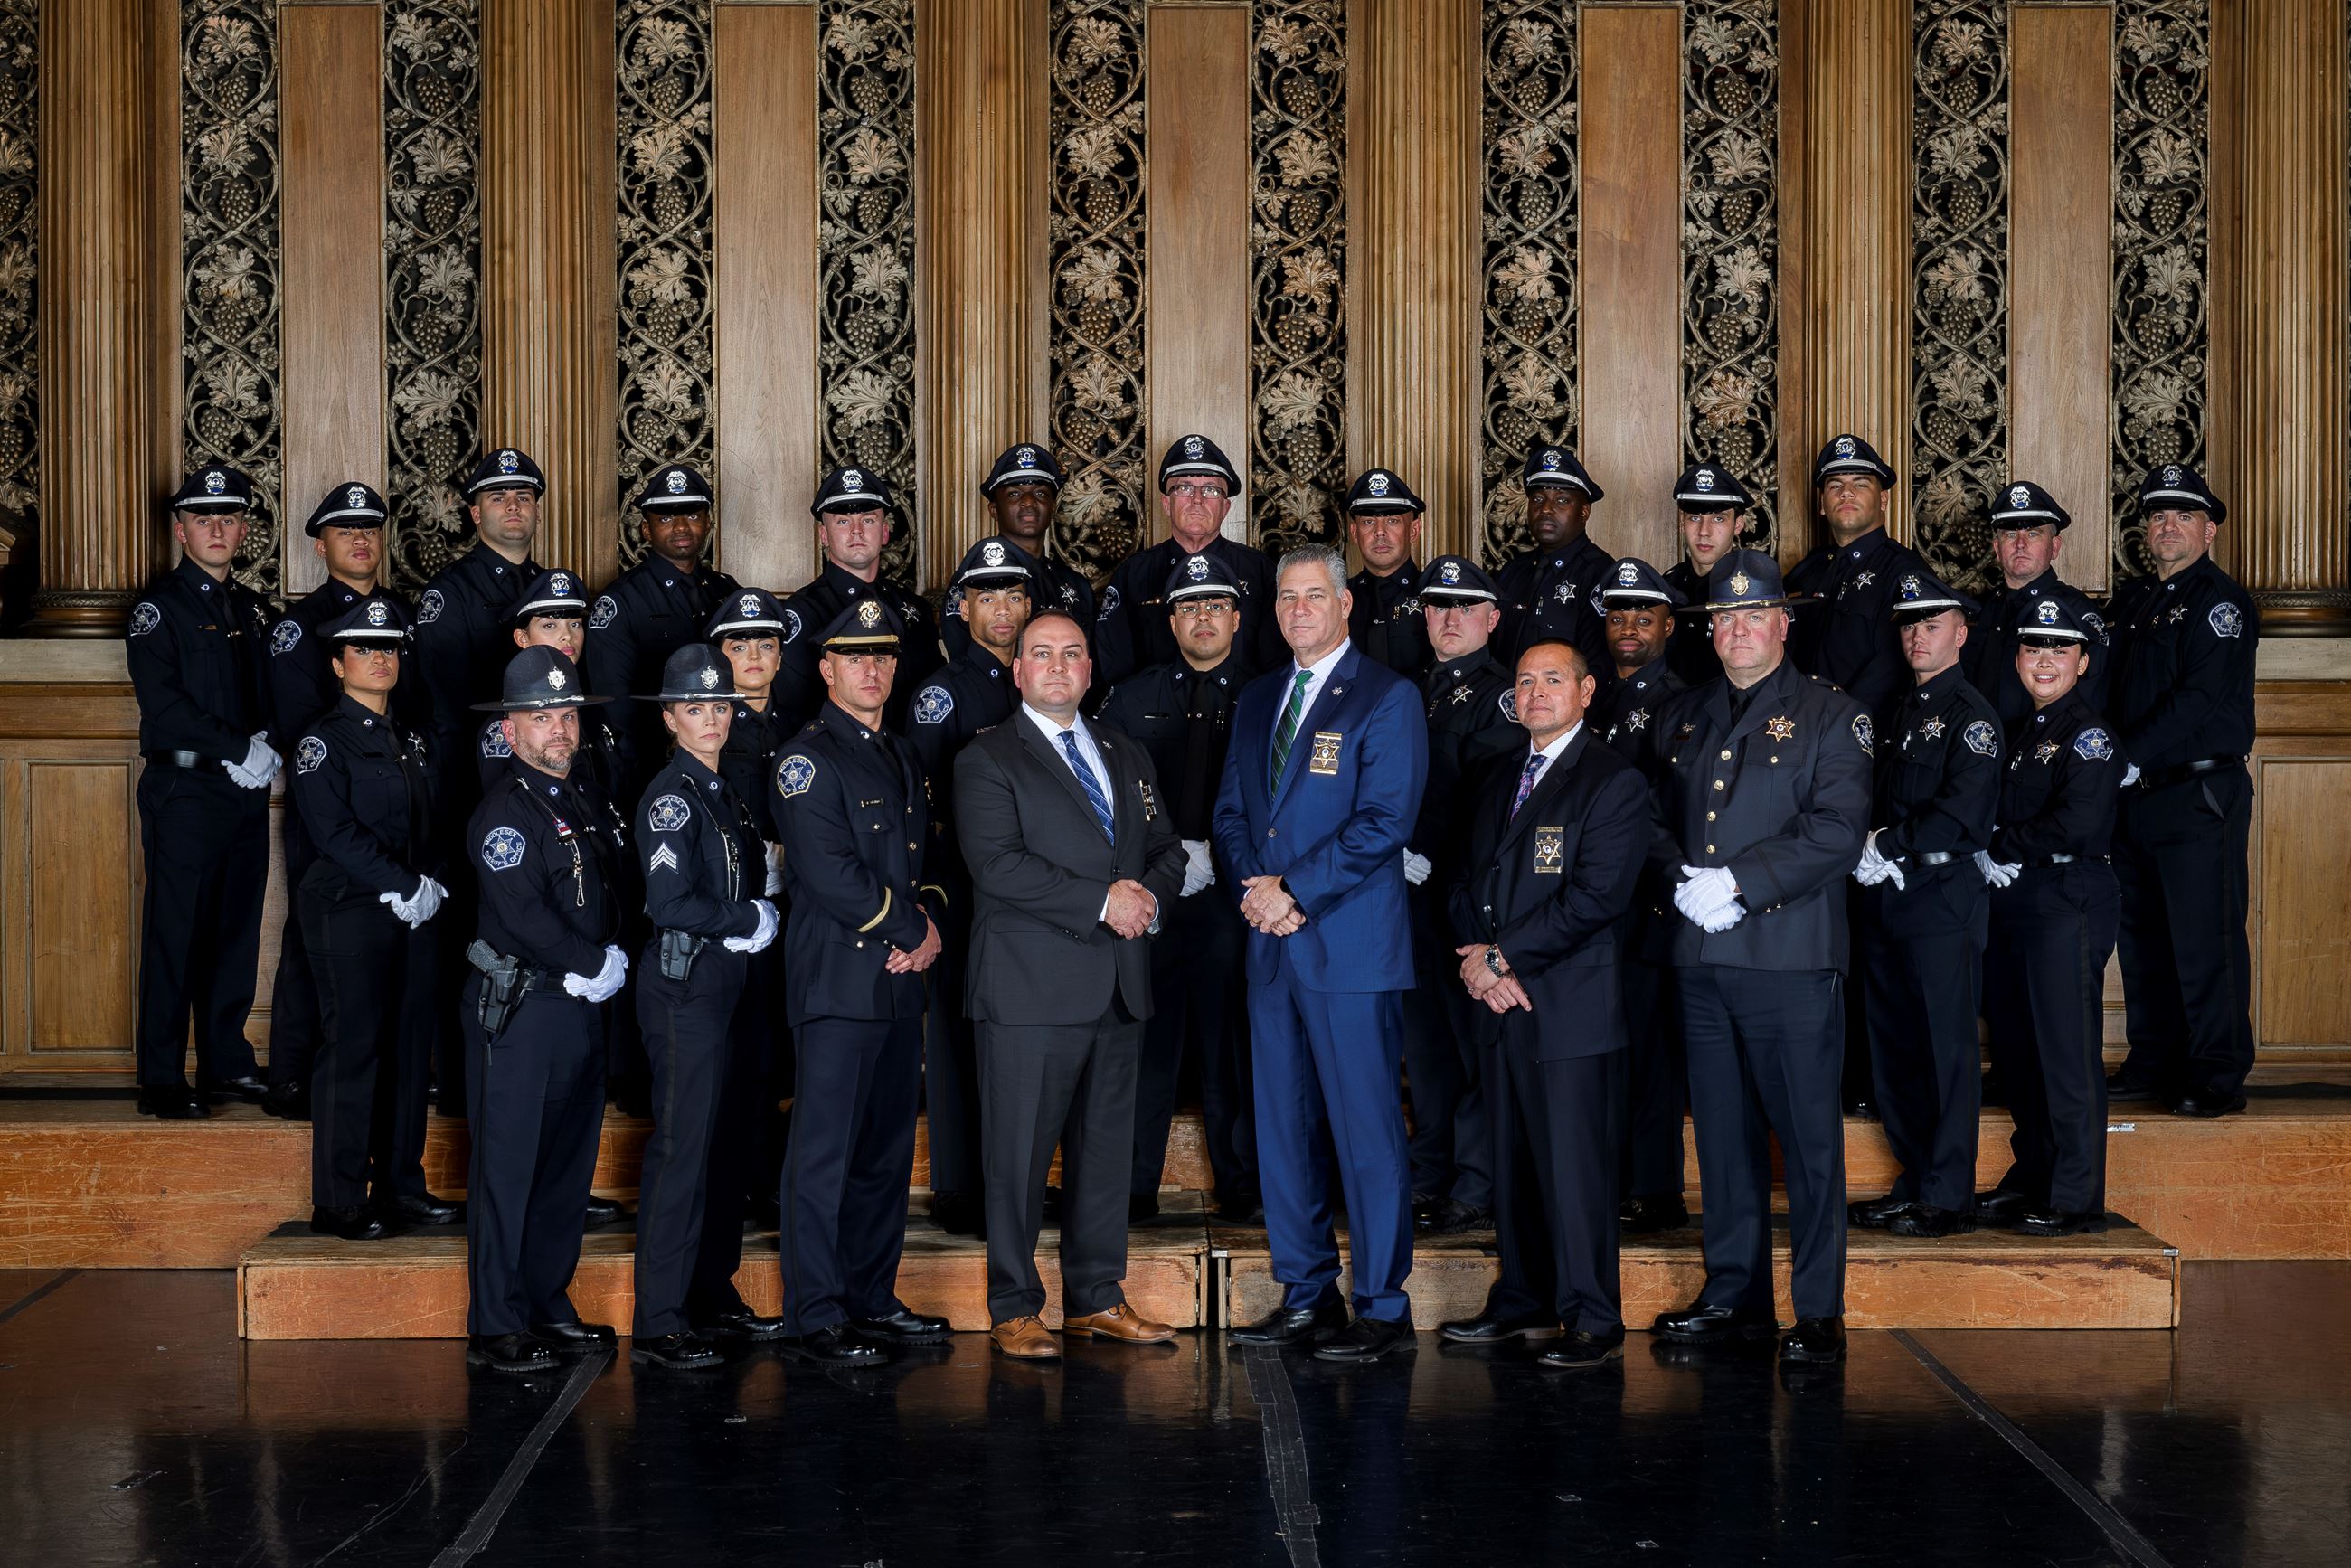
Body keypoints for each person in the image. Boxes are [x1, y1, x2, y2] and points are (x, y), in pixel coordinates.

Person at [1647, 550, 1870, 1367]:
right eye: (1724, 619)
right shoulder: (1684, 713)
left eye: (1754, 615)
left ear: (1783, 622)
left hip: (1787, 956)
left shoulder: (1830, 716)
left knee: (1808, 1141)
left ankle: (1817, 1310)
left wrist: (1739, 883)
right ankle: (1733, 1294)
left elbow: (1837, 833)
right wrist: (1683, 882)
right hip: (1701, 956)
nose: (1738, 630)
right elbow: (1653, 821)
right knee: (1724, 1138)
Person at [1214, 544, 1430, 1363]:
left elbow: (1383, 822)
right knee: (1282, 1129)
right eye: (1287, 598)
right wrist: (1255, 890)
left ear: (1345, 606)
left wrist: (1293, 893)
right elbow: (1233, 813)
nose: (1299, 609)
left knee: (1367, 1130)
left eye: (1314, 595)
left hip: (1348, 949)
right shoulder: (1260, 697)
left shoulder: (1386, 697)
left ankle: (1381, 1304)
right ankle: (1307, 1294)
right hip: (1272, 946)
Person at [954, 610, 1188, 1358]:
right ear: (1018, 671)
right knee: (1017, 1156)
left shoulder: (1125, 749)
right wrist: (1104, 902)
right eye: (1042, 655)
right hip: (1029, 990)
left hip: (1118, 983)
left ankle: (1096, 1298)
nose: (1058, 666)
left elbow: (1165, 846)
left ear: (1091, 669)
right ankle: (1014, 1305)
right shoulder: (987, 757)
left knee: (1105, 1155)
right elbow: (997, 865)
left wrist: (1150, 892)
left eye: (1073, 654)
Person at [1440, 638, 1649, 1369]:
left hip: (1570, 1008)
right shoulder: (1497, 776)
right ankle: (1523, 1300)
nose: (1534, 693)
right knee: (1514, 1161)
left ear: (1586, 692)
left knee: (1577, 1170)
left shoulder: (1611, 781)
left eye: (1552, 680)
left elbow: (1597, 897)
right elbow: (1463, 881)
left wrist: (1504, 958)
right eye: (1524, 681)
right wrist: (1482, 964)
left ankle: (1592, 1315)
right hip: (1500, 1003)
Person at [769, 599, 950, 1365]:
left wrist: (931, 921)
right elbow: (830, 873)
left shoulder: (903, 753)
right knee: (824, 1154)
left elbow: (929, 861)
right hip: (839, 984)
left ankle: (871, 1297)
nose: (871, 669)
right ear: (826, 667)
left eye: (881, 656)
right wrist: (913, 930)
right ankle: (817, 1311)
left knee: (882, 1156)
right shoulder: (805, 759)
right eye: (854, 657)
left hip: (898, 985)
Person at [460, 646, 629, 1375]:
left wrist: (607, 960)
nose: (558, 728)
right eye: (540, 716)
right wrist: (594, 963)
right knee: (508, 1167)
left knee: (565, 1166)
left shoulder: (580, 799)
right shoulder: (503, 814)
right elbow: (525, 914)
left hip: (580, 1009)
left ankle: (545, 1302)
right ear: (508, 731)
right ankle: (496, 1323)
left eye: (566, 714)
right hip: (523, 1011)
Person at [627, 644, 786, 1370]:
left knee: (727, 1149)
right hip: (686, 990)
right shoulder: (671, 795)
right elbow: (670, 902)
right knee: (682, 1150)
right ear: (670, 717)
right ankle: (661, 1320)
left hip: (732, 990)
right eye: (695, 708)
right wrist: (746, 916)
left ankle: (710, 1293)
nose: (712, 719)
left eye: (720, 706)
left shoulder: (722, 793)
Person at [1097, 552, 1263, 1223]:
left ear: (1237, 618)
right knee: (1144, 1038)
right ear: (1170, 621)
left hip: (1237, 893)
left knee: (1234, 1042)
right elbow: (1103, 799)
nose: (1203, 618)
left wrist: (1229, 856)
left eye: (1215, 606)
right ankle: (1134, 1185)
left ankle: (1243, 1182)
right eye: (1189, 607)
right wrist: (1156, 864)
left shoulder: (1267, 694)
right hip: (1154, 896)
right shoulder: (1131, 699)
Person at [287, 597, 457, 1239]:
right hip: (348, 908)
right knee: (354, 1047)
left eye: (388, 648)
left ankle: (400, 1187)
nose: (380, 659)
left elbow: (433, 820)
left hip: (415, 909)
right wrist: (401, 882)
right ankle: (339, 1198)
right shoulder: (320, 743)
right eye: (364, 648)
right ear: (337, 663)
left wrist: (429, 883)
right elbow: (334, 832)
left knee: (410, 1051)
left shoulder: (410, 737)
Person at [1846, 570, 2003, 1239]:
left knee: (1945, 1052)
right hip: (1890, 900)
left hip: (1940, 897)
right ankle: (1916, 1180)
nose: (1917, 635)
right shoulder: (1903, 711)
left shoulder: (1973, 720)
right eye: (1909, 624)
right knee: (1898, 1051)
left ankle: (1947, 1195)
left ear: (1960, 634)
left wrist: (1887, 843)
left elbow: (1961, 819)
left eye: (1931, 624)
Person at [2105, 465, 2259, 1117]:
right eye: (2158, 516)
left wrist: (2125, 755)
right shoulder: (2138, 603)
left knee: (2205, 938)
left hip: (2198, 795)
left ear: (2209, 529)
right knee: (2143, 938)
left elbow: (2196, 699)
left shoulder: (2218, 602)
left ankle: (2216, 1073)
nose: (2168, 526)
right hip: (2139, 795)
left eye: (2184, 516)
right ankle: (2156, 1058)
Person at [125, 463, 277, 1118]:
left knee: (234, 931)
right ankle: (161, 1076)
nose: (217, 527)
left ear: (242, 528)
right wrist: (238, 747)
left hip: (242, 791)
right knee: (176, 933)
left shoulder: (254, 610)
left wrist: (264, 740)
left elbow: (270, 692)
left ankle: (224, 1063)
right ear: (182, 530)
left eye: (229, 517)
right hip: (185, 789)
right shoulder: (157, 610)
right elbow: (167, 707)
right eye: (203, 518)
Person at [1973, 599, 2123, 1235]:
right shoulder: (2022, 734)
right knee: (2021, 1052)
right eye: (2034, 649)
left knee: (2065, 1052)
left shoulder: (2090, 736)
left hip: (2068, 894)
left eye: (2059, 650)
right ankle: (2033, 1171)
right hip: (2017, 899)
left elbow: (2078, 823)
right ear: (2017, 658)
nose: (2044, 661)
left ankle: (2074, 1196)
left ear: (2082, 662)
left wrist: (1996, 844)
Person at [261, 481, 404, 1120]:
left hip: (394, 799)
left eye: (370, 529)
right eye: (346, 531)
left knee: (389, 935)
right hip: (329, 804)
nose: (360, 540)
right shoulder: (301, 628)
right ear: (321, 545)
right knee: (310, 937)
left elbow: (414, 712)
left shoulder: (400, 618)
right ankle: (292, 1075)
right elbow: (301, 730)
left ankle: (381, 1069)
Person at [906, 539, 1034, 1236]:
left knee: (1019, 1041)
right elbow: (921, 809)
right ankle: (961, 1189)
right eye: (988, 597)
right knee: (959, 1040)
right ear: (964, 608)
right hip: (964, 889)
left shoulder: (1040, 679)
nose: (1004, 610)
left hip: (1032, 895)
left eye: (1015, 596)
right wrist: (928, 896)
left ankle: (1013, 1185)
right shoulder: (941, 693)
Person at [414, 447, 546, 1118]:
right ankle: (462, 1083)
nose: (513, 507)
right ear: (474, 513)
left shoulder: (555, 590)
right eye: (498, 497)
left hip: (547, 796)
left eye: (523, 496)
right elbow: (444, 706)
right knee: (471, 938)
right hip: (471, 790)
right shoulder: (451, 593)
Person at [1400, 556, 1521, 1235]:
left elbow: (1487, 799)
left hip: (1466, 894)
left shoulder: (1499, 696)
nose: (1449, 618)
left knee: (1475, 1048)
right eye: (1438, 607)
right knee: (1428, 1049)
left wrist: (1424, 846)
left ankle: (1476, 1183)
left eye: (1465, 607)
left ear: (1492, 619)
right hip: (1408, 896)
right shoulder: (1413, 689)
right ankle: (1431, 1175)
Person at [1592, 557, 1690, 1232]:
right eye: (1618, 615)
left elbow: (1670, 816)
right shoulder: (1596, 699)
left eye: (1643, 616)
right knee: (1611, 1049)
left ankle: (1655, 1190)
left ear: (1669, 625)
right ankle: (1615, 1179)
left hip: (1650, 902)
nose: (1629, 627)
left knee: (1652, 1053)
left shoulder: (1679, 706)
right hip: (1600, 906)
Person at [706, 588, 799, 1229]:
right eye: (740, 646)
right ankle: (733, 1185)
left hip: (794, 913)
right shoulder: (710, 728)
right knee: (737, 1058)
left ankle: (771, 1181)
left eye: (767, 644)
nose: (755, 656)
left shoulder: (799, 726)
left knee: (783, 1055)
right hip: (734, 920)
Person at [585, 464, 741, 798]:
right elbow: (616, 713)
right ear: (645, 529)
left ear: (709, 522)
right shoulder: (621, 602)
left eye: (693, 515)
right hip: (654, 769)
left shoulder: (725, 593)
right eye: (666, 518)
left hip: (727, 764)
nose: (682, 527)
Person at [1094, 434, 1283, 684]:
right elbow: (1112, 665)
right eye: (1184, 488)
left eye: (1211, 489)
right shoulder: (1134, 573)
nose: (1197, 499)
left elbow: (1277, 666)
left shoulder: (1259, 571)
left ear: (1226, 508)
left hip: (1241, 713)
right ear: (1166, 504)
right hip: (1151, 718)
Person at [777, 467, 943, 730]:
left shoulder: (913, 608)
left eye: (868, 519)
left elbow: (932, 693)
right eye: (843, 521)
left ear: (885, 531)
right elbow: (797, 708)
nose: (856, 531)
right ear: (824, 535)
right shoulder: (802, 612)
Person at [1786, 434, 1923, 725]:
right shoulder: (1808, 571)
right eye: (1835, 486)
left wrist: (1838, 726)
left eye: (1860, 484)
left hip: (1861, 735)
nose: (1846, 493)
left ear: (1883, 499)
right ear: (1822, 504)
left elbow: (1894, 668)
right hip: (1795, 730)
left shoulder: (1905, 572)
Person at [1961, 481, 2110, 731]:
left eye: (2033, 533)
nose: (2020, 544)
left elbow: (2090, 702)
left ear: (2055, 547)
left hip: (2046, 755)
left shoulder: (2078, 613)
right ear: (1997, 549)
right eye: (2010, 535)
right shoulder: (1985, 609)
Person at [943, 444, 1096, 658]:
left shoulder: (1075, 584)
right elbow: (967, 660)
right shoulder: (978, 572)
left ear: (1052, 506)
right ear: (994, 509)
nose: (1029, 502)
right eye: (1015, 494)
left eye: (1040, 493)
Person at [1492, 446, 1613, 678]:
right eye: (1538, 498)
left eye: (1562, 500)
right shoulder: (1511, 573)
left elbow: (1598, 669)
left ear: (1585, 512)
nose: (1546, 509)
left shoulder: (1600, 574)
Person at [1343, 467, 1433, 679]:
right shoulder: (1339, 600)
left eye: (1392, 521)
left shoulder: (1435, 599)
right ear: (1355, 533)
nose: (1380, 532)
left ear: (1414, 530)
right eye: (1368, 522)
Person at [1663, 463, 1748, 687]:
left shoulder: (1754, 589)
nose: (1703, 531)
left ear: (1738, 525)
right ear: (1683, 522)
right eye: (1694, 518)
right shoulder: (1668, 585)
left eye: (1718, 519)